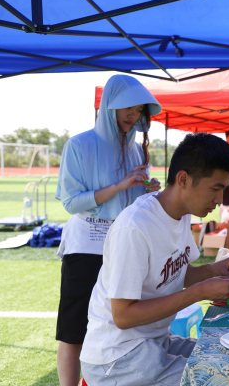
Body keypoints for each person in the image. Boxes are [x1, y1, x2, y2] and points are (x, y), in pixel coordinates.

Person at [80, 133, 229, 386]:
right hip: (117, 359)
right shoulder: (135, 227)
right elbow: (123, 316)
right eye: (215, 188)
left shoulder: (182, 212)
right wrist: (199, 292)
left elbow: (177, 273)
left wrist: (214, 270)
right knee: (226, 377)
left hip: (154, 342)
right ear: (183, 179)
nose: (219, 200)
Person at [54, 74, 162, 386]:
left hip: (122, 247)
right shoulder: (78, 145)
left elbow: (131, 203)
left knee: (119, 325)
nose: (134, 114)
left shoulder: (136, 150)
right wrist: (120, 185)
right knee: (74, 330)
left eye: (139, 109)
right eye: (129, 107)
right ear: (110, 105)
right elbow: (71, 202)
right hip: (86, 247)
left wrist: (147, 189)